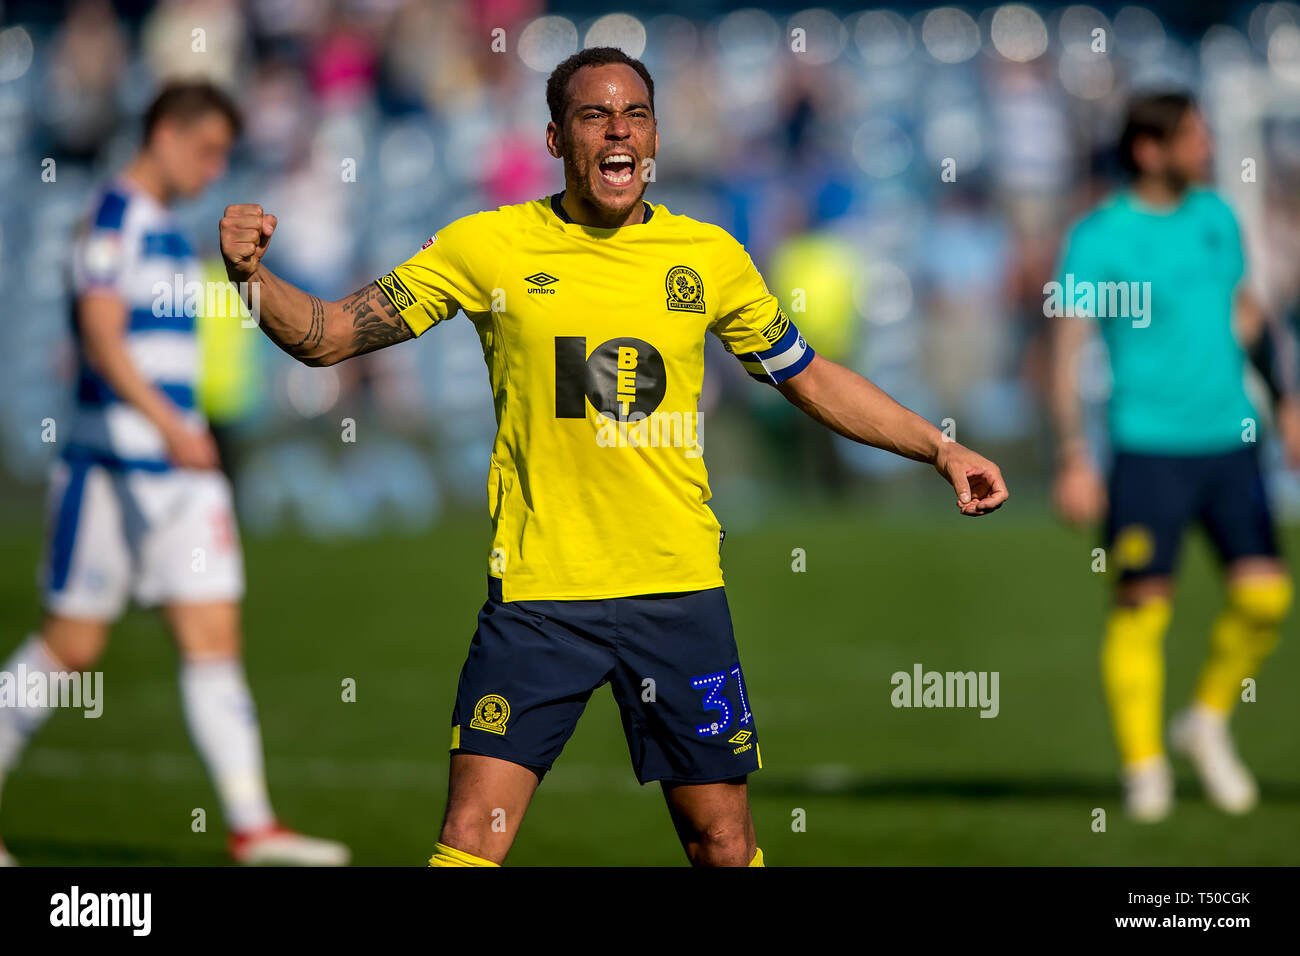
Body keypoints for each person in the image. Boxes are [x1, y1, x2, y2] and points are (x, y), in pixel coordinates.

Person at [219, 48, 1008, 866]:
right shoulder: (487, 247)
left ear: (657, 134)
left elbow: (809, 379)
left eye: (634, 113)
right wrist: (249, 276)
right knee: (469, 841)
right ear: (557, 138)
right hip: (540, 597)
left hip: (677, 588)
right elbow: (329, 336)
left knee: (723, 844)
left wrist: (938, 447)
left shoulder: (709, 256)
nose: (618, 129)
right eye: (594, 115)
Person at [0, 82, 348, 866]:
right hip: (113, 468)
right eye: (208, 148)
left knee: (213, 634)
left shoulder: (164, 229)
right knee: (72, 646)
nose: (215, 166)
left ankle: (252, 827)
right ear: (164, 134)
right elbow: (99, 336)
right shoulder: (111, 218)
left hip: (181, 476)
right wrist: (167, 424)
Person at [1051, 91, 1300, 822]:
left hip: (1231, 440)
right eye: (1191, 137)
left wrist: (1285, 401)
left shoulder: (1216, 218)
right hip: (1146, 448)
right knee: (1140, 609)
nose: (1206, 147)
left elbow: (1246, 314)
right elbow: (1066, 349)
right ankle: (1143, 768)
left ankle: (1205, 720)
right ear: (1148, 150)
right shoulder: (1099, 237)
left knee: (1264, 598)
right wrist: (1073, 455)